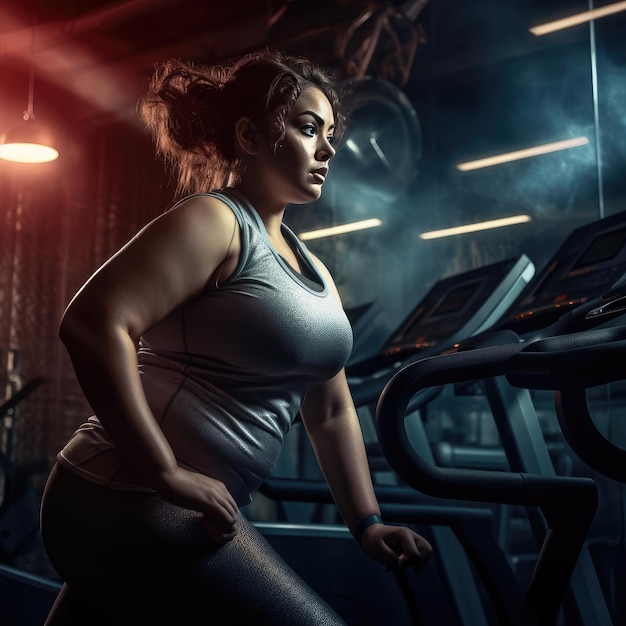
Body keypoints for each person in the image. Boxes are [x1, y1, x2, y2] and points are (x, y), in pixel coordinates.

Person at [39, 49, 433, 625]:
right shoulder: (216, 222)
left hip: (178, 506)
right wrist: (164, 471)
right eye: (306, 129)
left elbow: (329, 408)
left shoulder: (312, 269)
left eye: (329, 133)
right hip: (126, 493)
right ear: (250, 136)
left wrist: (368, 523)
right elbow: (94, 324)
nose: (327, 149)